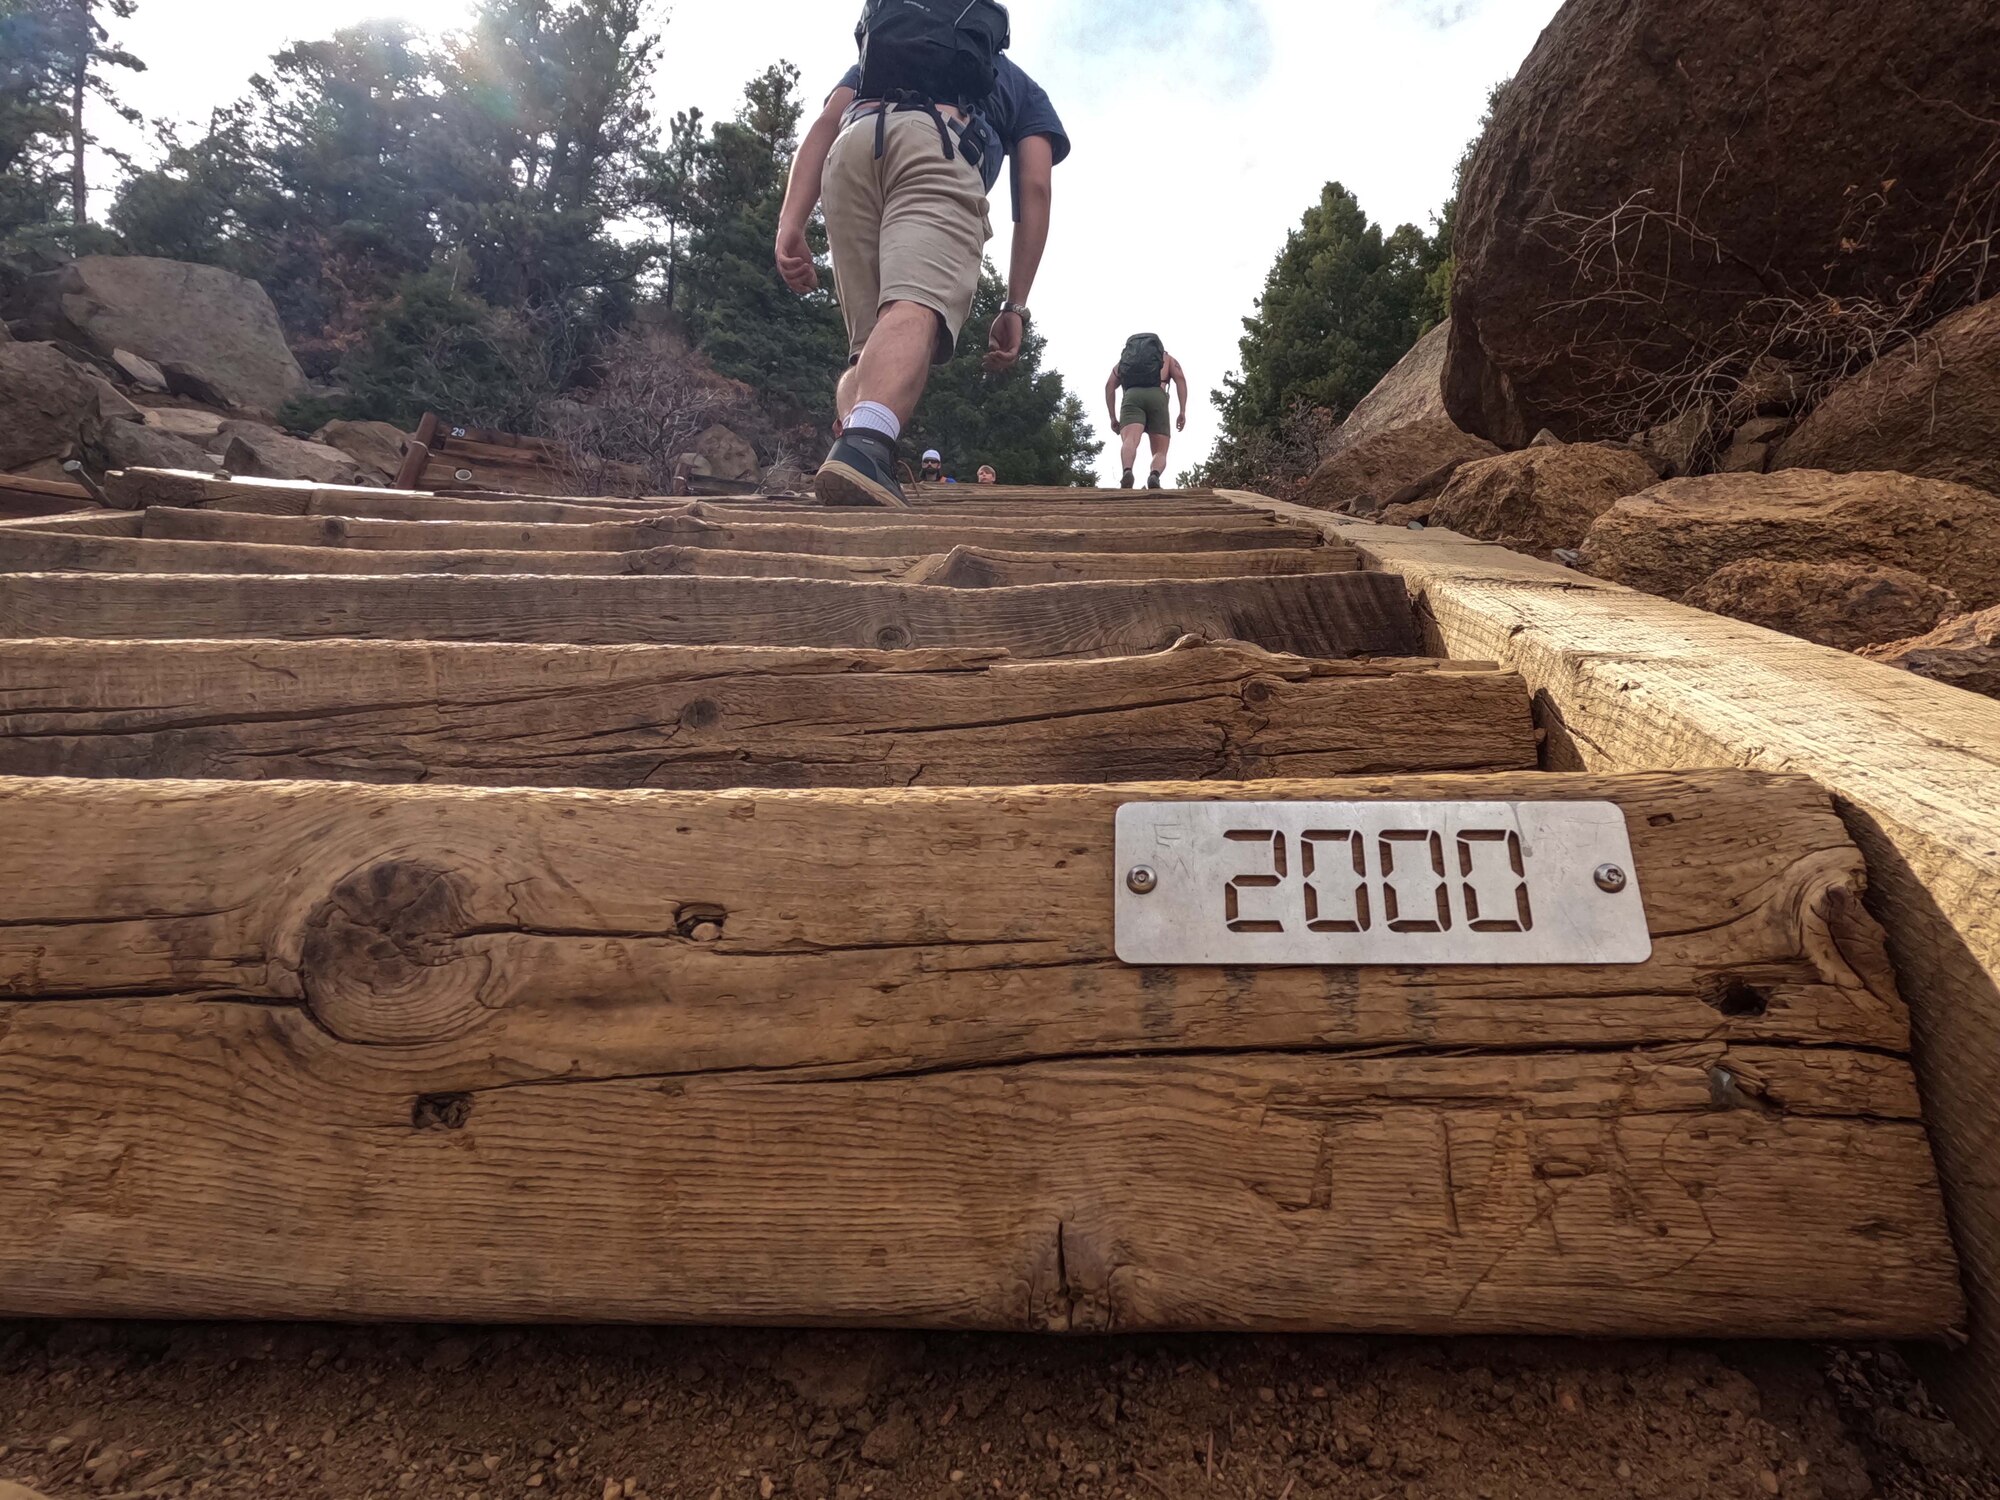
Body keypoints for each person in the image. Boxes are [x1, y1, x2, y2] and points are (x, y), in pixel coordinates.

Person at [776, 2, 1069, 509]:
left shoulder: (878, 58)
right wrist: (1014, 305)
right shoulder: (1019, 86)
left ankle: (856, 455)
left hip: (852, 149)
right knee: (916, 304)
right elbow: (1036, 189)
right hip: (940, 148)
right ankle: (865, 447)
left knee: (868, 344)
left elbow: (825, 124)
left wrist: (791, 222)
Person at [1105, 334, 1188, 490]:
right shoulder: (1167, 359)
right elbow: (1181, 379)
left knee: (1130, 439)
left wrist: (1112, 417)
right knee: (1160, 450)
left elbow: (1109, 384)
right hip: (1158, 396)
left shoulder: (1125, 362)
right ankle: (1154, 475)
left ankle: (1127, 471)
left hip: (1132, 396)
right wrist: (1182, 410)